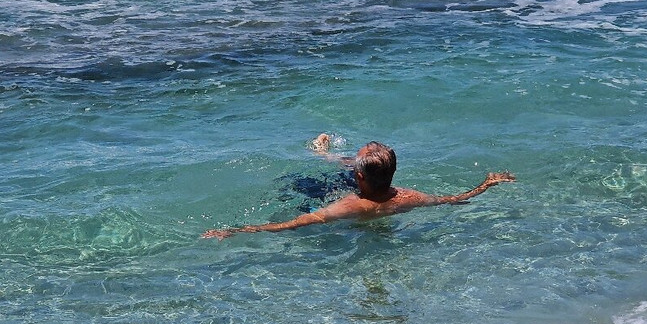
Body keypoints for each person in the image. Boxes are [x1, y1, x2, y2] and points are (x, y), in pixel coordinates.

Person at [202, 135, 515, 239]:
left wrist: (236, 231)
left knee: (294, 185)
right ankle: (324, 154)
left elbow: (291, 225)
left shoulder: (350, 205)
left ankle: (321, 154)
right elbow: (453, 199)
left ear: (360, 178)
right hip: (378, 199)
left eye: (356, 163)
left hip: (340, 213)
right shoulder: (407, 197)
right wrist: (487, 184)